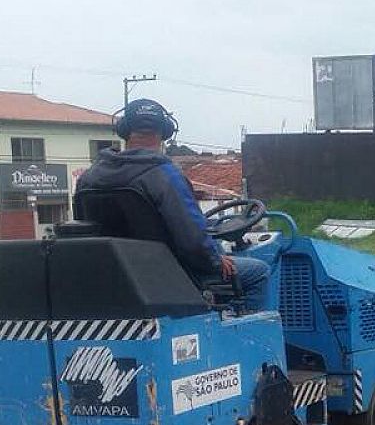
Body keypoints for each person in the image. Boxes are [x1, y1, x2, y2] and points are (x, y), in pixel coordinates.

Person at [75, 98, 270, 312]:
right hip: (169, 274)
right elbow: (194, 242)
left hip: (115, 277)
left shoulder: (89, 178)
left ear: (124, 130)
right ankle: (240, 336)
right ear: (165, 132)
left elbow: (81, 233)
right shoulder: (165, 176)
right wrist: (215, 261)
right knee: (258, 272)